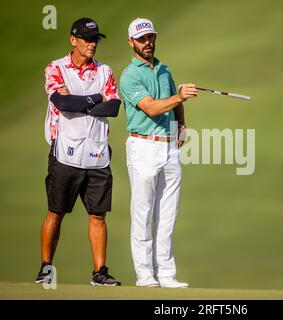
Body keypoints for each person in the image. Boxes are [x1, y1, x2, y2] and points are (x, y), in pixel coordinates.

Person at [36, 18, 121, 286]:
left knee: (98, 215)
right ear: (73, 40)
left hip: (96, 152)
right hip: (65, 151)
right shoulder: (56, 68)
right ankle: (46, 267)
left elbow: (114, 107)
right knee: (56, 211)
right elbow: (61, 102)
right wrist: (96, 98)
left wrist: (83, 102)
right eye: (87, 39)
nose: (92, 44)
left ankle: (100, 272)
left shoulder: (105, 71)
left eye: (95, 39)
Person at [119, 18, 198, 288]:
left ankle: (166, 273)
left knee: (168, 212)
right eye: (141, 39)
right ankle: (145, 275)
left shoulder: (164, 69)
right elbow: (152, 107)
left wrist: (182, 125)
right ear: (131, 42)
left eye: (151, 37)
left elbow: (173, 100)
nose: (147, 42)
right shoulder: (130, 75)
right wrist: (181, 97)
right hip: (143, 145)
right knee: (143, 213)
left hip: (168, 145)